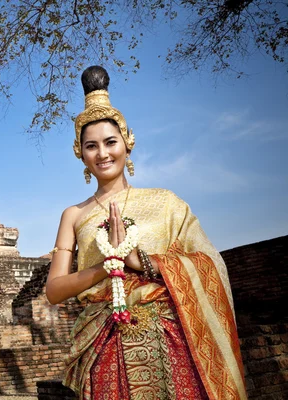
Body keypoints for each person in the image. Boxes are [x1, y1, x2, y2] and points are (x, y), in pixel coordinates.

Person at [45, 66, 246, 399]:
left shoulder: (166, 203)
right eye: (91, 146)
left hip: (174, 342)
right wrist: (108, 266)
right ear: (80, 153)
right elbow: (54, 290)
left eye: (111, 142)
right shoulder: (73, 215)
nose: (103, 153)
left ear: (128, 142)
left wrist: (142, 261)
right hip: (106, 346)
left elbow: (209, 262)